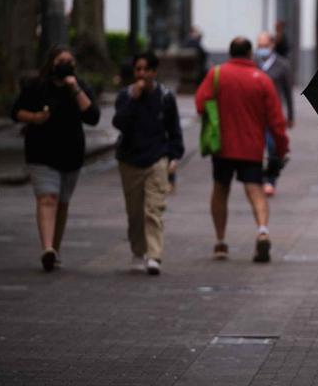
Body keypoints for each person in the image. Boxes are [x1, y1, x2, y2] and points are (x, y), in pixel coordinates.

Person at [194, 37, 289, 263]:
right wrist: (282, 148)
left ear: (229, 52)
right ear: (250, 54)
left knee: (220, 190)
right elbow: (276, 121)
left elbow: (199, 104)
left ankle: (220, 242)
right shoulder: (262, 80)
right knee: (255, 191)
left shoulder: (217, 75)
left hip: (222, 147)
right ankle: (263, 230)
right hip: (251, 147)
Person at [10, 45, 100, 271]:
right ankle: (47, 248)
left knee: (62, 202)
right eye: (60, 61)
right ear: (50, 63)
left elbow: (92, 116)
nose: (65, 65)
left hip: (71, 153)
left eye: (69, 61)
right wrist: (35, 117)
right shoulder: (36, 86)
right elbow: (16, 112)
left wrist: (75, 88)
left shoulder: (80, 87)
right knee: (47, 198)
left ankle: (54, 250)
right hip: (41, 152)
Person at [112, 51, 185, 275]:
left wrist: (174, 155)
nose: (142, 74)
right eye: (138, 69)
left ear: (154, 72)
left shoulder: (165, 97)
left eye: (146, 69)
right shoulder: (126, 96)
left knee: (153, 209)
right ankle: (138, 251)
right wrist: (133, 99)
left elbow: (174, 130)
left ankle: (154, 255)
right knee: (135, 212)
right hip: (130, 160)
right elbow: (119, 123)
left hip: (156, 158)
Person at [254, 31, 295, 196]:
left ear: (272, 45)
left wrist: (291, 115)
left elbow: (287, 93)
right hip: (255, 114)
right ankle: (260, 179)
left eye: (264, 46)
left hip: (273, 114)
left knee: (273, 147)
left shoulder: (282, 65)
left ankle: (271, 179)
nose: (262, 49)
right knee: (256, 148)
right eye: (259, 46)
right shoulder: (252, 63)